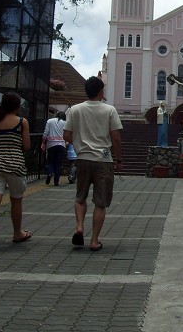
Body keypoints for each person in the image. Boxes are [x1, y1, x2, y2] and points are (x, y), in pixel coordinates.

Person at [63, 76, 123, 252]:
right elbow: (116, 137)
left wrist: (80, 145)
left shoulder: (75, 110)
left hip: (82, 159)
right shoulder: (109, 110)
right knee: (100, 202)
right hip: (103, 160)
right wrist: (119, 160)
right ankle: (94, 240)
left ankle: (80, 227)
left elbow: (66, 135)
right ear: (101, 92)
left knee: (80, 197)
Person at [0, 91, 33, 254]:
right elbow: (26, 146)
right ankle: (17, 233)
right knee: (16, 200)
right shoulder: (21, 122)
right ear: (17, 106)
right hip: (15, 165)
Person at [42, 110, 66, 186]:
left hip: (51, 144)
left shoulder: (50, 121)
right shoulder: (65, 123)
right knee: (58, 164)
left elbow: (46, 132)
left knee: (50, 162)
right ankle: (56, 181)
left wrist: (43, 142)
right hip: (61, 144)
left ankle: (49, 173)